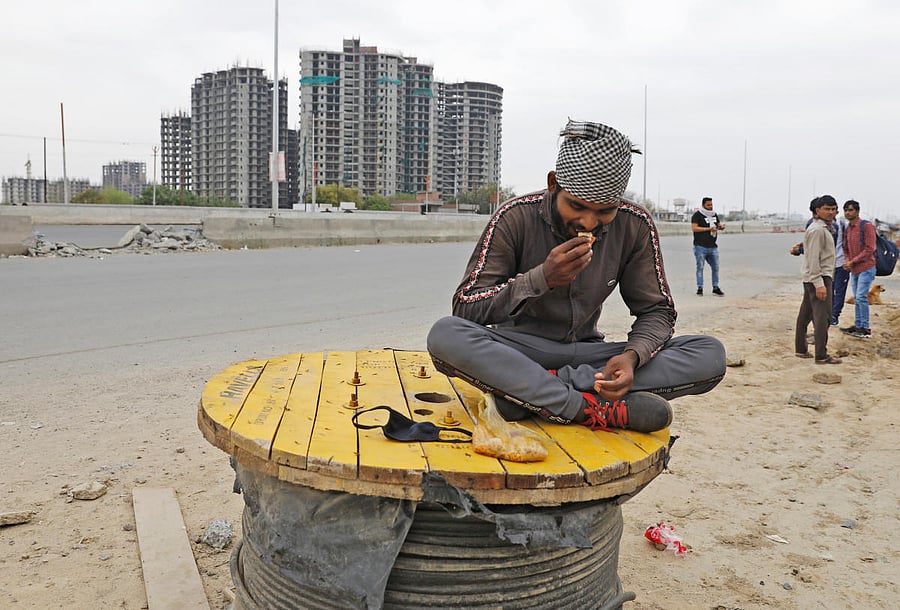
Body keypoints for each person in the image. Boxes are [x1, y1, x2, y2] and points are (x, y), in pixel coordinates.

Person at [426, 119, 726, 434]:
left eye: (605, 211)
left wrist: (632, 357)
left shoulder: (635, 224)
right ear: (554, 183)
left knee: (709, 354)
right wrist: (541, 278)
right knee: (446, 334)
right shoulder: (514, 217)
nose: (589, 221)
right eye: (577, 206)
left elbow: (657, 312)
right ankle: (586, 408)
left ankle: (530, 394)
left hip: (589, 356)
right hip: (519, 352)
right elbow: (465, 307)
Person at [794, 196, 841, 364]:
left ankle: (801, 349)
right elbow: (813, 259)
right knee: (823, 317)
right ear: (817, 210)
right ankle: (821, 355)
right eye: (827, 209)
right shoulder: (817, 230)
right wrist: (819, 283)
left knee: (805, 315)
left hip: (814, 278)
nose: (831, 212)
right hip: (818, 278)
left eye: (833, 209)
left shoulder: (823, 228)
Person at [840, 199, 877, 339]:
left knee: (861, 297)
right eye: (846, 210)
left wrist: (853, 261)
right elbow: (846, 247)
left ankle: (865, 328)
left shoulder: (866, 226)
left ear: (857, 211)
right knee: (857, 297)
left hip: (866, 267)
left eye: (851, 210)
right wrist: (847, 260)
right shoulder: (848, 228)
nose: (848, 213)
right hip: (854, 269)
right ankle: (858, 325)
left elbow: (870, 248)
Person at [691, 197, 725, 296]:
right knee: (700, 267)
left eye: (711, 205)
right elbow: (694, 228)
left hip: (713, 247)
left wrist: (720, 227)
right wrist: (709, 229)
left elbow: (717, 225)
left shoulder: (714, 214)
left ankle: (715, 287)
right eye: (708, 205)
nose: (710, 207)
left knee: (716, 267)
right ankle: (700, 288)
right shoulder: (697, 215)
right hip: (700, 246)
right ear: (703, 205)